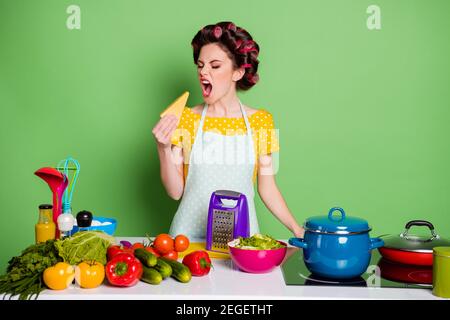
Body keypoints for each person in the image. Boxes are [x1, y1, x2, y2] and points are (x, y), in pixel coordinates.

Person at [152, 21, 304, 239]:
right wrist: (163, 148)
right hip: (189, 241)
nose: (204, 72)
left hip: (241, 241)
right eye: (200, 65)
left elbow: (267, 188)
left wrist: (296, 229)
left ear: (238, 73)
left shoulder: (261, 121)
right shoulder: (186, 119)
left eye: (215, 66)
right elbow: (175, 192)